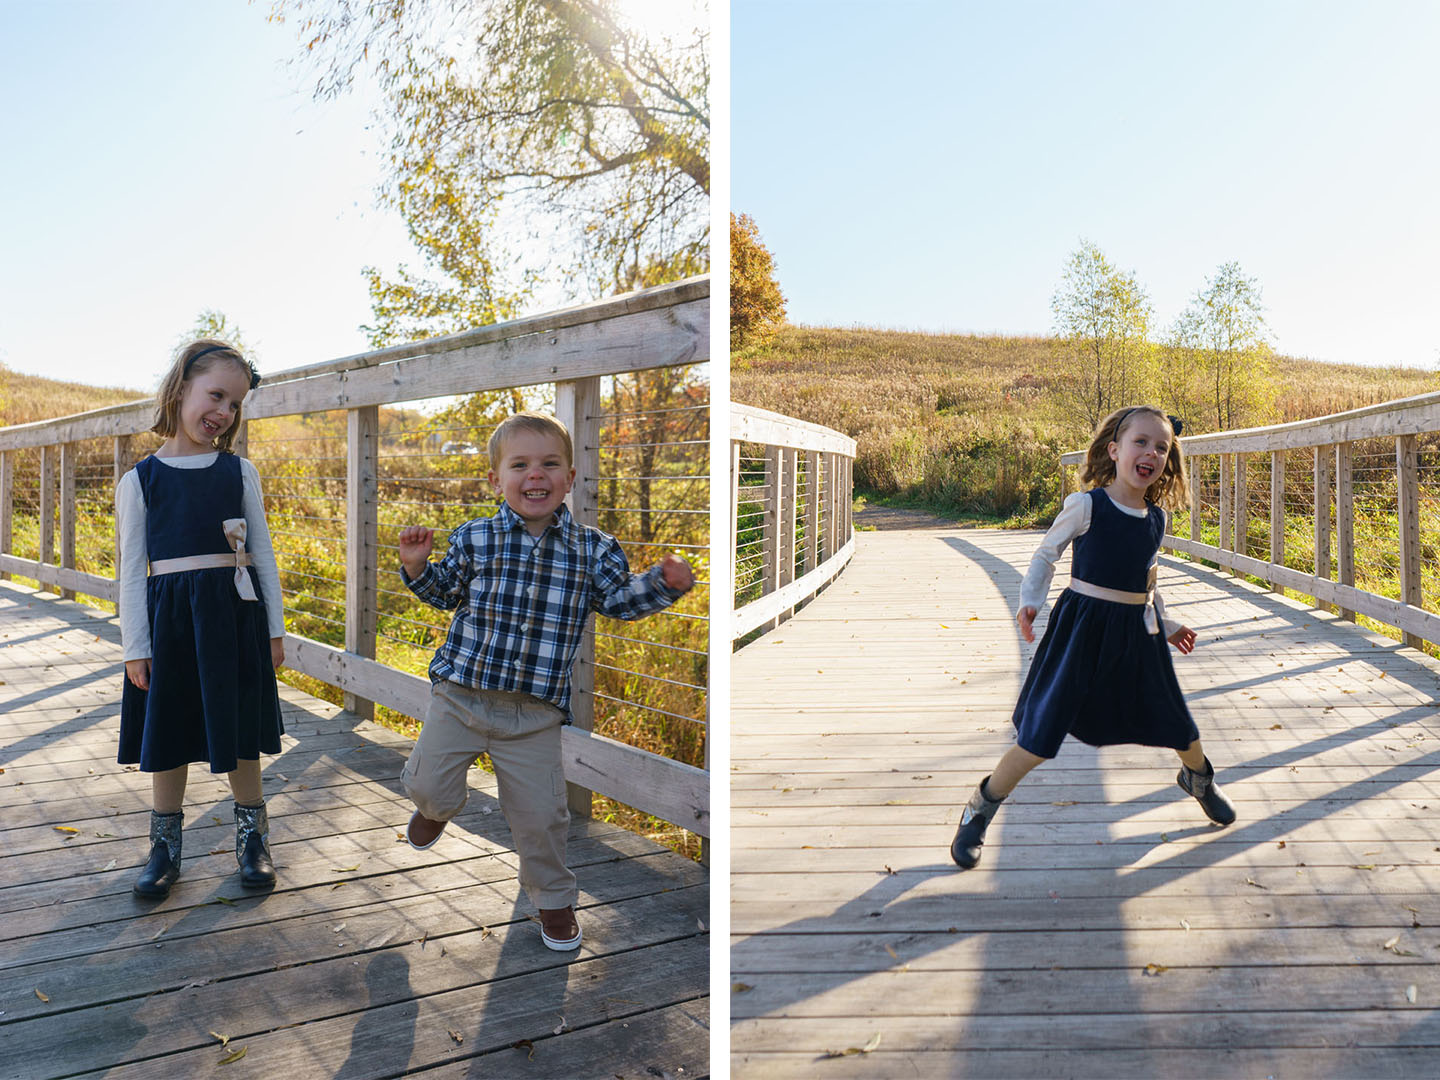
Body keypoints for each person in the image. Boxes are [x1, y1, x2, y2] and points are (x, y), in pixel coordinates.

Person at [397, 411, 694, 951]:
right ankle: (434, 809)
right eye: (520, 464)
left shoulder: (592, 549)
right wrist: (418, 566)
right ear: (496, 480)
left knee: (542, 821)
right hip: (461, 696)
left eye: (549, 464)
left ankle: (553, 903)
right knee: (427, 786)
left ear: (570, 478)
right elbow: (443, 593)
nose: (536, 474)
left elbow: (620, 601)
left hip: (533, 716)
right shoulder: (476, 537)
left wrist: (662, 584)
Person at [951, 405, 1235, 869]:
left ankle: (1198, 778)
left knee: (1176, 722)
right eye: (1140, 442)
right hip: (1081, 632)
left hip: (1136, 634)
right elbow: (1046, 555)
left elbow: (1148, 584)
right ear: (1114, 449)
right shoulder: (1088, 505)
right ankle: (979, 808)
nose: (1151, 453)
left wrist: (1167, 625)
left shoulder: (1155, 519)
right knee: (1039, 736)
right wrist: (1030, 601)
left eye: (1161, 447)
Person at [117, 340, 286, 898]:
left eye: (235, 403)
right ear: (182, 386)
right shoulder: (140, 481)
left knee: (238, 730)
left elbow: (261, 555)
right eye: (216, 394)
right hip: (168, 624)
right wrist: (135, 646)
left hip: (231, 620)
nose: (224, 412)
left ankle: (252, 839)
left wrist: (274, 630)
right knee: (167, 731)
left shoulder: (238, 472)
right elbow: (131, 572)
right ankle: (165, 848)